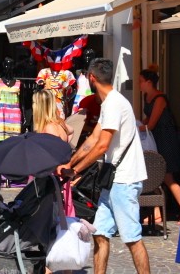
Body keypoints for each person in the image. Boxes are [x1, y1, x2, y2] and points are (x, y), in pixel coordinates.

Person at [61, 58, 149, 274]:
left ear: (92, 77)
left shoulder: (114, 103)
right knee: (100, 233)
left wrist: (76, 171)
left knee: (132, 238)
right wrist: (70, 163)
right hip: (113, 180)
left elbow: (101, 146)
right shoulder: (110, 103)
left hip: (124, 180)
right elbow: (92, 140)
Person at [137, 67, 180, 223]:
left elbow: (151, 124)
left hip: (166, 140)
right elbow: (147, 119)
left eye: (141, 82)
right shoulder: (147, 97)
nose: (139, 85)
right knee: (156, 176)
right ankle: (157, 212)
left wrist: (135, 128)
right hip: (156, 140)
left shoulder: (160, 99)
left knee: (167, 177)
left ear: (149, 82)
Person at [33, 87, 74, 217]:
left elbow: (52, 156)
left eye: (34, 103)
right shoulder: (60, 124)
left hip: (54, 178)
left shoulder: (50, 127)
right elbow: (71, 130)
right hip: (60, 176)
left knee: (54, 217)